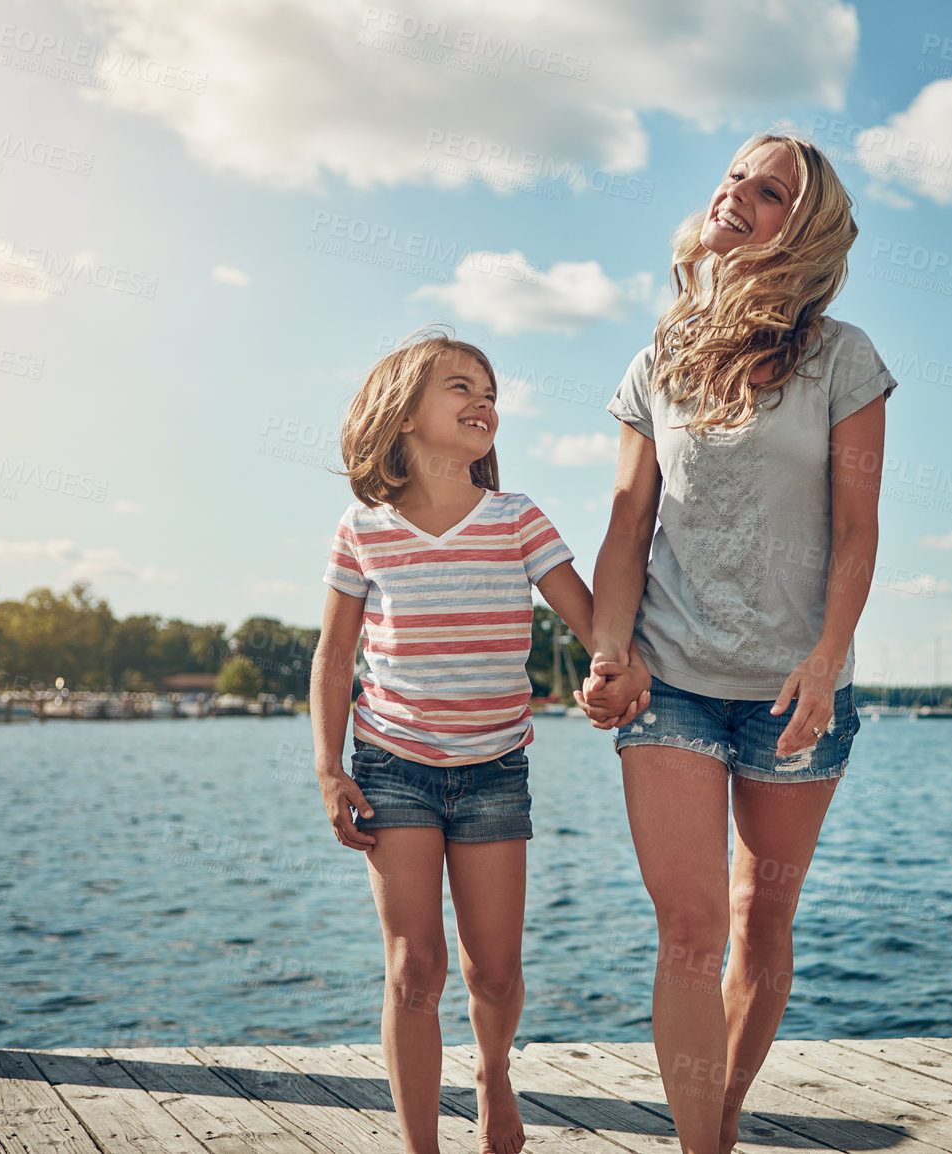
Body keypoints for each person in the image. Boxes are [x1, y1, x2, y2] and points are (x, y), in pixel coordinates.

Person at [582, 133, 896, 1154]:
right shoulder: (655, 361)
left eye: (769, 192)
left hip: (795, 689)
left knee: (762, 921)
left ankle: (710, 1125)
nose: (737, 196)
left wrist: (824, 654)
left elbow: (858, 528)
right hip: (668, 675)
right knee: (690, 932)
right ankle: (700, 1145)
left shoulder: (844, 357)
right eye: (733, 178)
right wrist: (608, 650)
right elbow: (628, 524)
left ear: (800, 231)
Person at [308, 328, 645, 1154]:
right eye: (458, 387)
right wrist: (328, 767)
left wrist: (612, 664)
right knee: (414, 966)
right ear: (403, 412)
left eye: (489, 390)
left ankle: (494, 1074)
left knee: (492, 972)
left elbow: (591, 615)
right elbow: (334, 654)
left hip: (495, 771)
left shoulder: (517, 518)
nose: (482, 401)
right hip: (391, 766)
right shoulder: (363, 530)